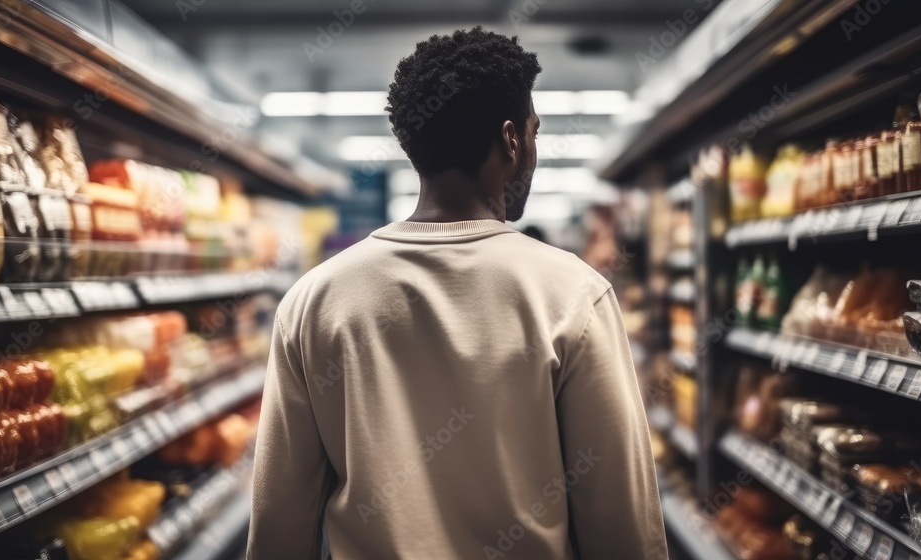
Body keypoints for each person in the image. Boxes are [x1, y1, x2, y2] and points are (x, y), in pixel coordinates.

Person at [247, 27, 667, 560]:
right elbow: (622, 528)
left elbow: (279, 531)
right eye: (535, 132)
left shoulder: (313, 303)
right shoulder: (574, 296)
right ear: (512, 140)